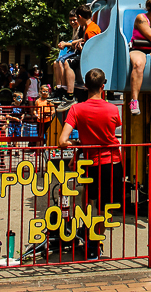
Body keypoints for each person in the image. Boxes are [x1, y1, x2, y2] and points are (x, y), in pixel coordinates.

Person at [59, 68, 123, 211]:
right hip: (112, 160)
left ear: (85, 86)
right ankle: (100, 230)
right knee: (106, 205)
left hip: (90, 161)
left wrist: (78, 144)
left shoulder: (76, 109)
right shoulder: (113, 109)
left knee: (88, 194)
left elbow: (62, 141)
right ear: (102, 86)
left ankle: (87, 227)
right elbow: (114, 129)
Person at [56, 5, 102, 112]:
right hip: (86, 56)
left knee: (68, 63)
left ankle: (69, 94)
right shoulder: (92, 27)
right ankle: (64, 90)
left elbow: (92, 50)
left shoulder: (90, 30)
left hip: (89, 60)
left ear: (80, 17)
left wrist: (82, 48)